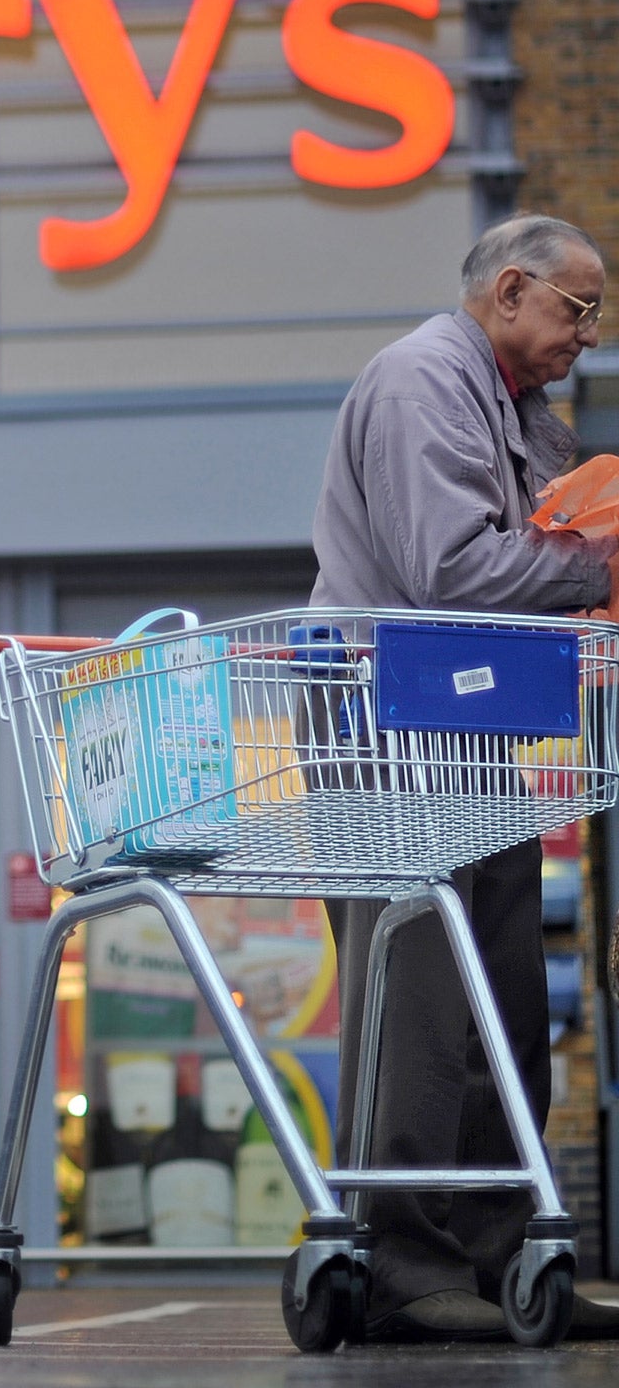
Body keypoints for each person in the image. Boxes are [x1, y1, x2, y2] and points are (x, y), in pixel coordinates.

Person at [311, 212, 619, 1342]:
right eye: (574, 308)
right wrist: (596, 565)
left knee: (503, 1004)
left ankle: (502, 1260)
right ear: (506, 290)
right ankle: (401, 1266)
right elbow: (451, 562)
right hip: (381, 723)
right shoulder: (419, 382)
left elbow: (541, 534)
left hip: (465, 721)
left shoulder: (516, 409)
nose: (586, 332)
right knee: (427, 1003)